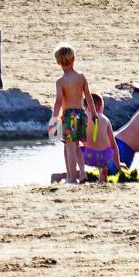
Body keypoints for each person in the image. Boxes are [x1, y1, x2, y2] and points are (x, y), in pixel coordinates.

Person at [48, 45, 97, 184]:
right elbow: (88, 96)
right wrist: (93, 113)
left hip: (69, 116)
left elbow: (58, 102)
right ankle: (82, 173)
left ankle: (72, 178)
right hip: (81, 114)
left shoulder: (61, 82)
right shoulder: (81, 77)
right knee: (76, 146)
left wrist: (54, 119)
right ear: (74, 59)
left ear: (58, 62)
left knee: (70, 146)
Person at [81, 93, 120, 182]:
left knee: (74, 146)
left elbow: (79, 138)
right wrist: (118, 164)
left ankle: (81, 172)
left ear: (86, 107)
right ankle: (103, 171)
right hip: (105, 158)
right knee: (107, 148)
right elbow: (113, 144)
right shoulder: (106, 120)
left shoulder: (83, 118)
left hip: (88, 157)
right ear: (99, 106)